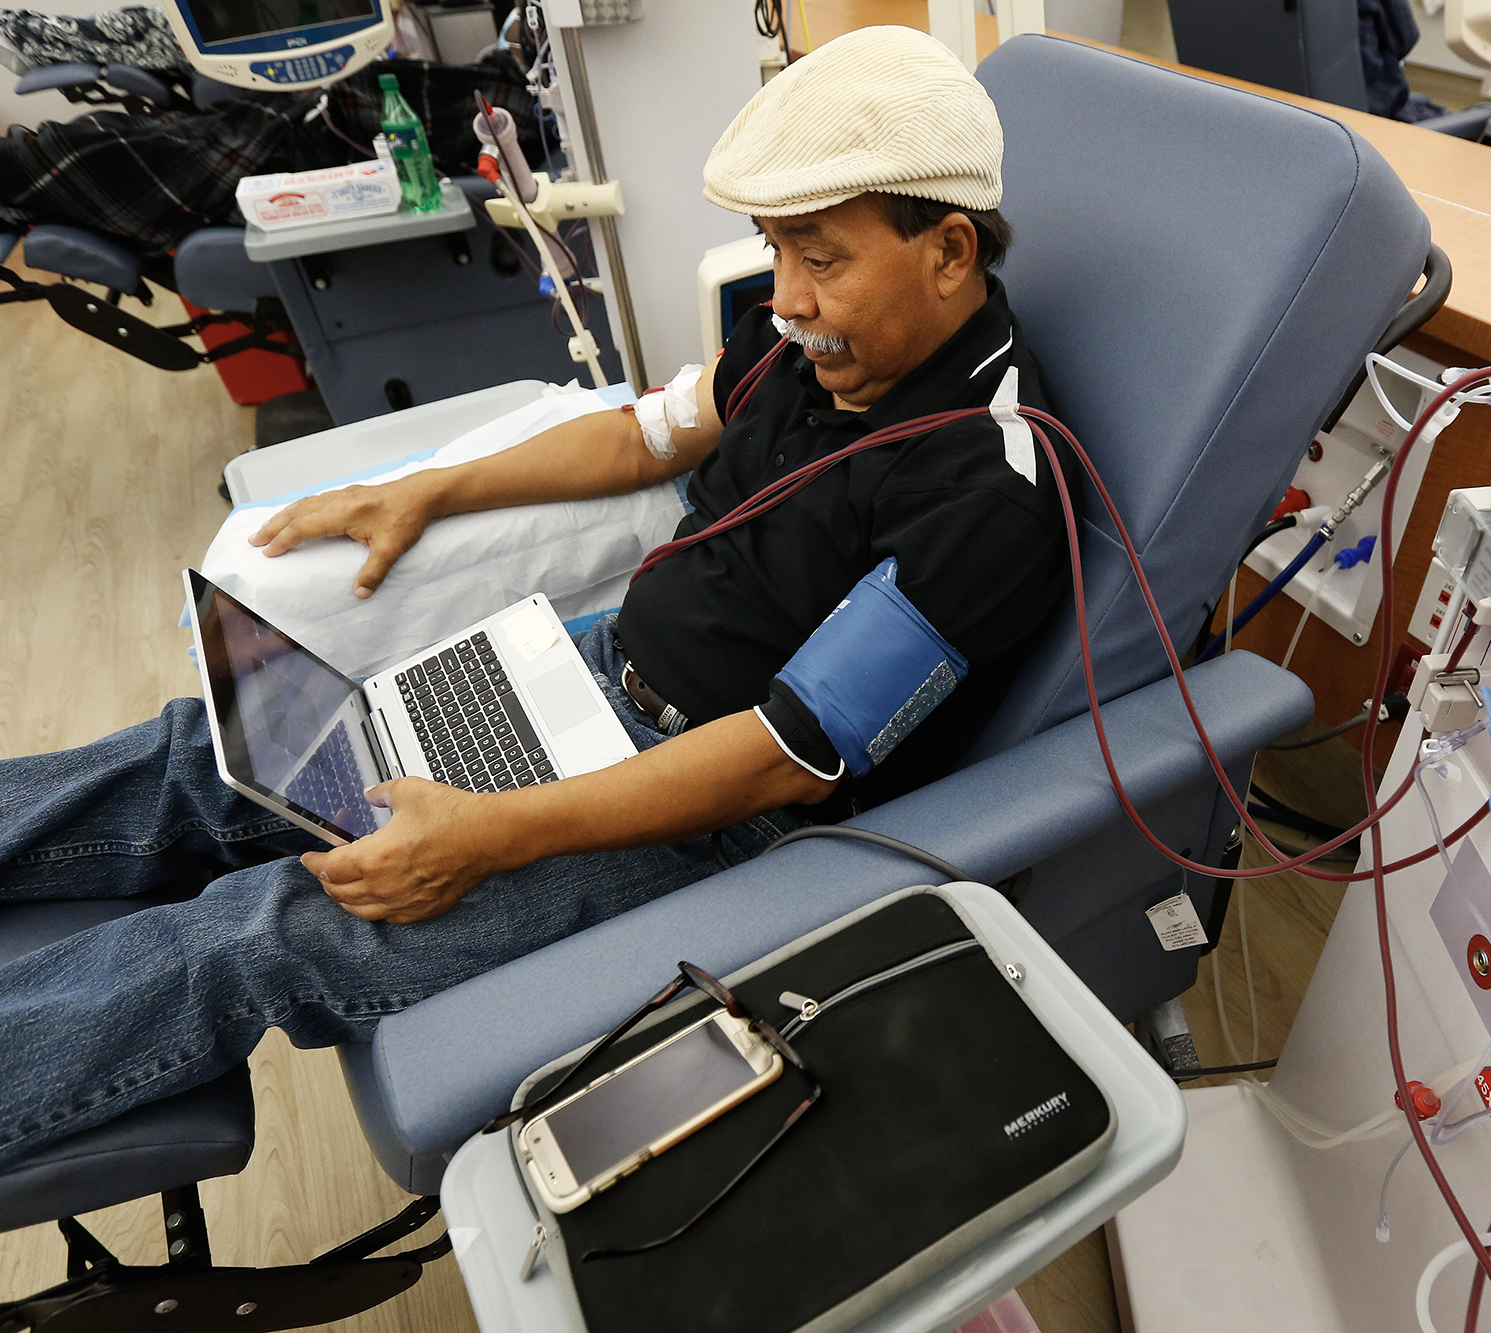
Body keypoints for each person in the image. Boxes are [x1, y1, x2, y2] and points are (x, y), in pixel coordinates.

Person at [0, 25, 1074, 1170]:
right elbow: (644, 436)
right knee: (203, 753)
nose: (791, 297)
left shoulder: (986, 490)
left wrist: (486, 836)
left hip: (706, 821)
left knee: (255, 936)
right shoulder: (801, 342)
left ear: (949, 251)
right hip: (585, 676)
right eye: (776, 252)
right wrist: (424, 490)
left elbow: (780, 756)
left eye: (821, 259)